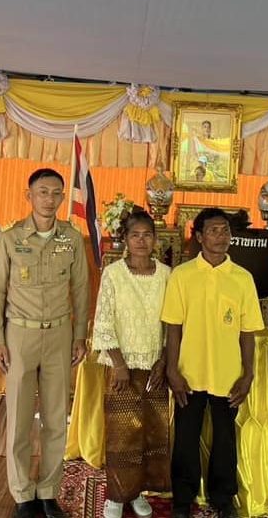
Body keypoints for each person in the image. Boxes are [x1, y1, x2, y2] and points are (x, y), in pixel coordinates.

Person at [0, 168, 89, 518]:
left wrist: (80, 335)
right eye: (42, 192)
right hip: (20, 335)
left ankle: (48, 491)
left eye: (56, 192)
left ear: (62, 197)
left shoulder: (71, 238)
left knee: (56, 417)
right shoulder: (9, 237)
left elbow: (81, 289)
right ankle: (22, 493)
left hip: (59, 334)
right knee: (17, 418)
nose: (49, 199)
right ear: (28, 195)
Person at [162, 207, 263, 518]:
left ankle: (223, 498)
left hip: (228, 374)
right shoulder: (182, 275)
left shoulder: (242, 278)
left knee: (225, 439)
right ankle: (183, 499)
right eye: (214, 230)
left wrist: (248, 373)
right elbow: (173, 328)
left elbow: (248, 332)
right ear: (199, 236)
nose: (221, 236)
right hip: (189, 373)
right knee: (186, 438)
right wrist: (172, 369)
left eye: (225, 230)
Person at [91, 208, 171, 518]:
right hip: (122, 368)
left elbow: (172, 323)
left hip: (155, 369)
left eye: (147, 235)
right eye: (135, 235)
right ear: (125, 238)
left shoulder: (166, 275)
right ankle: (116, 495)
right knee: (122, 434)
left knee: (151, 433)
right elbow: (104, 321)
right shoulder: (113, 274)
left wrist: (163, 361)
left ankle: (137, 491)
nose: (141, 241)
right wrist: (120, 365)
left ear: (155, 239)